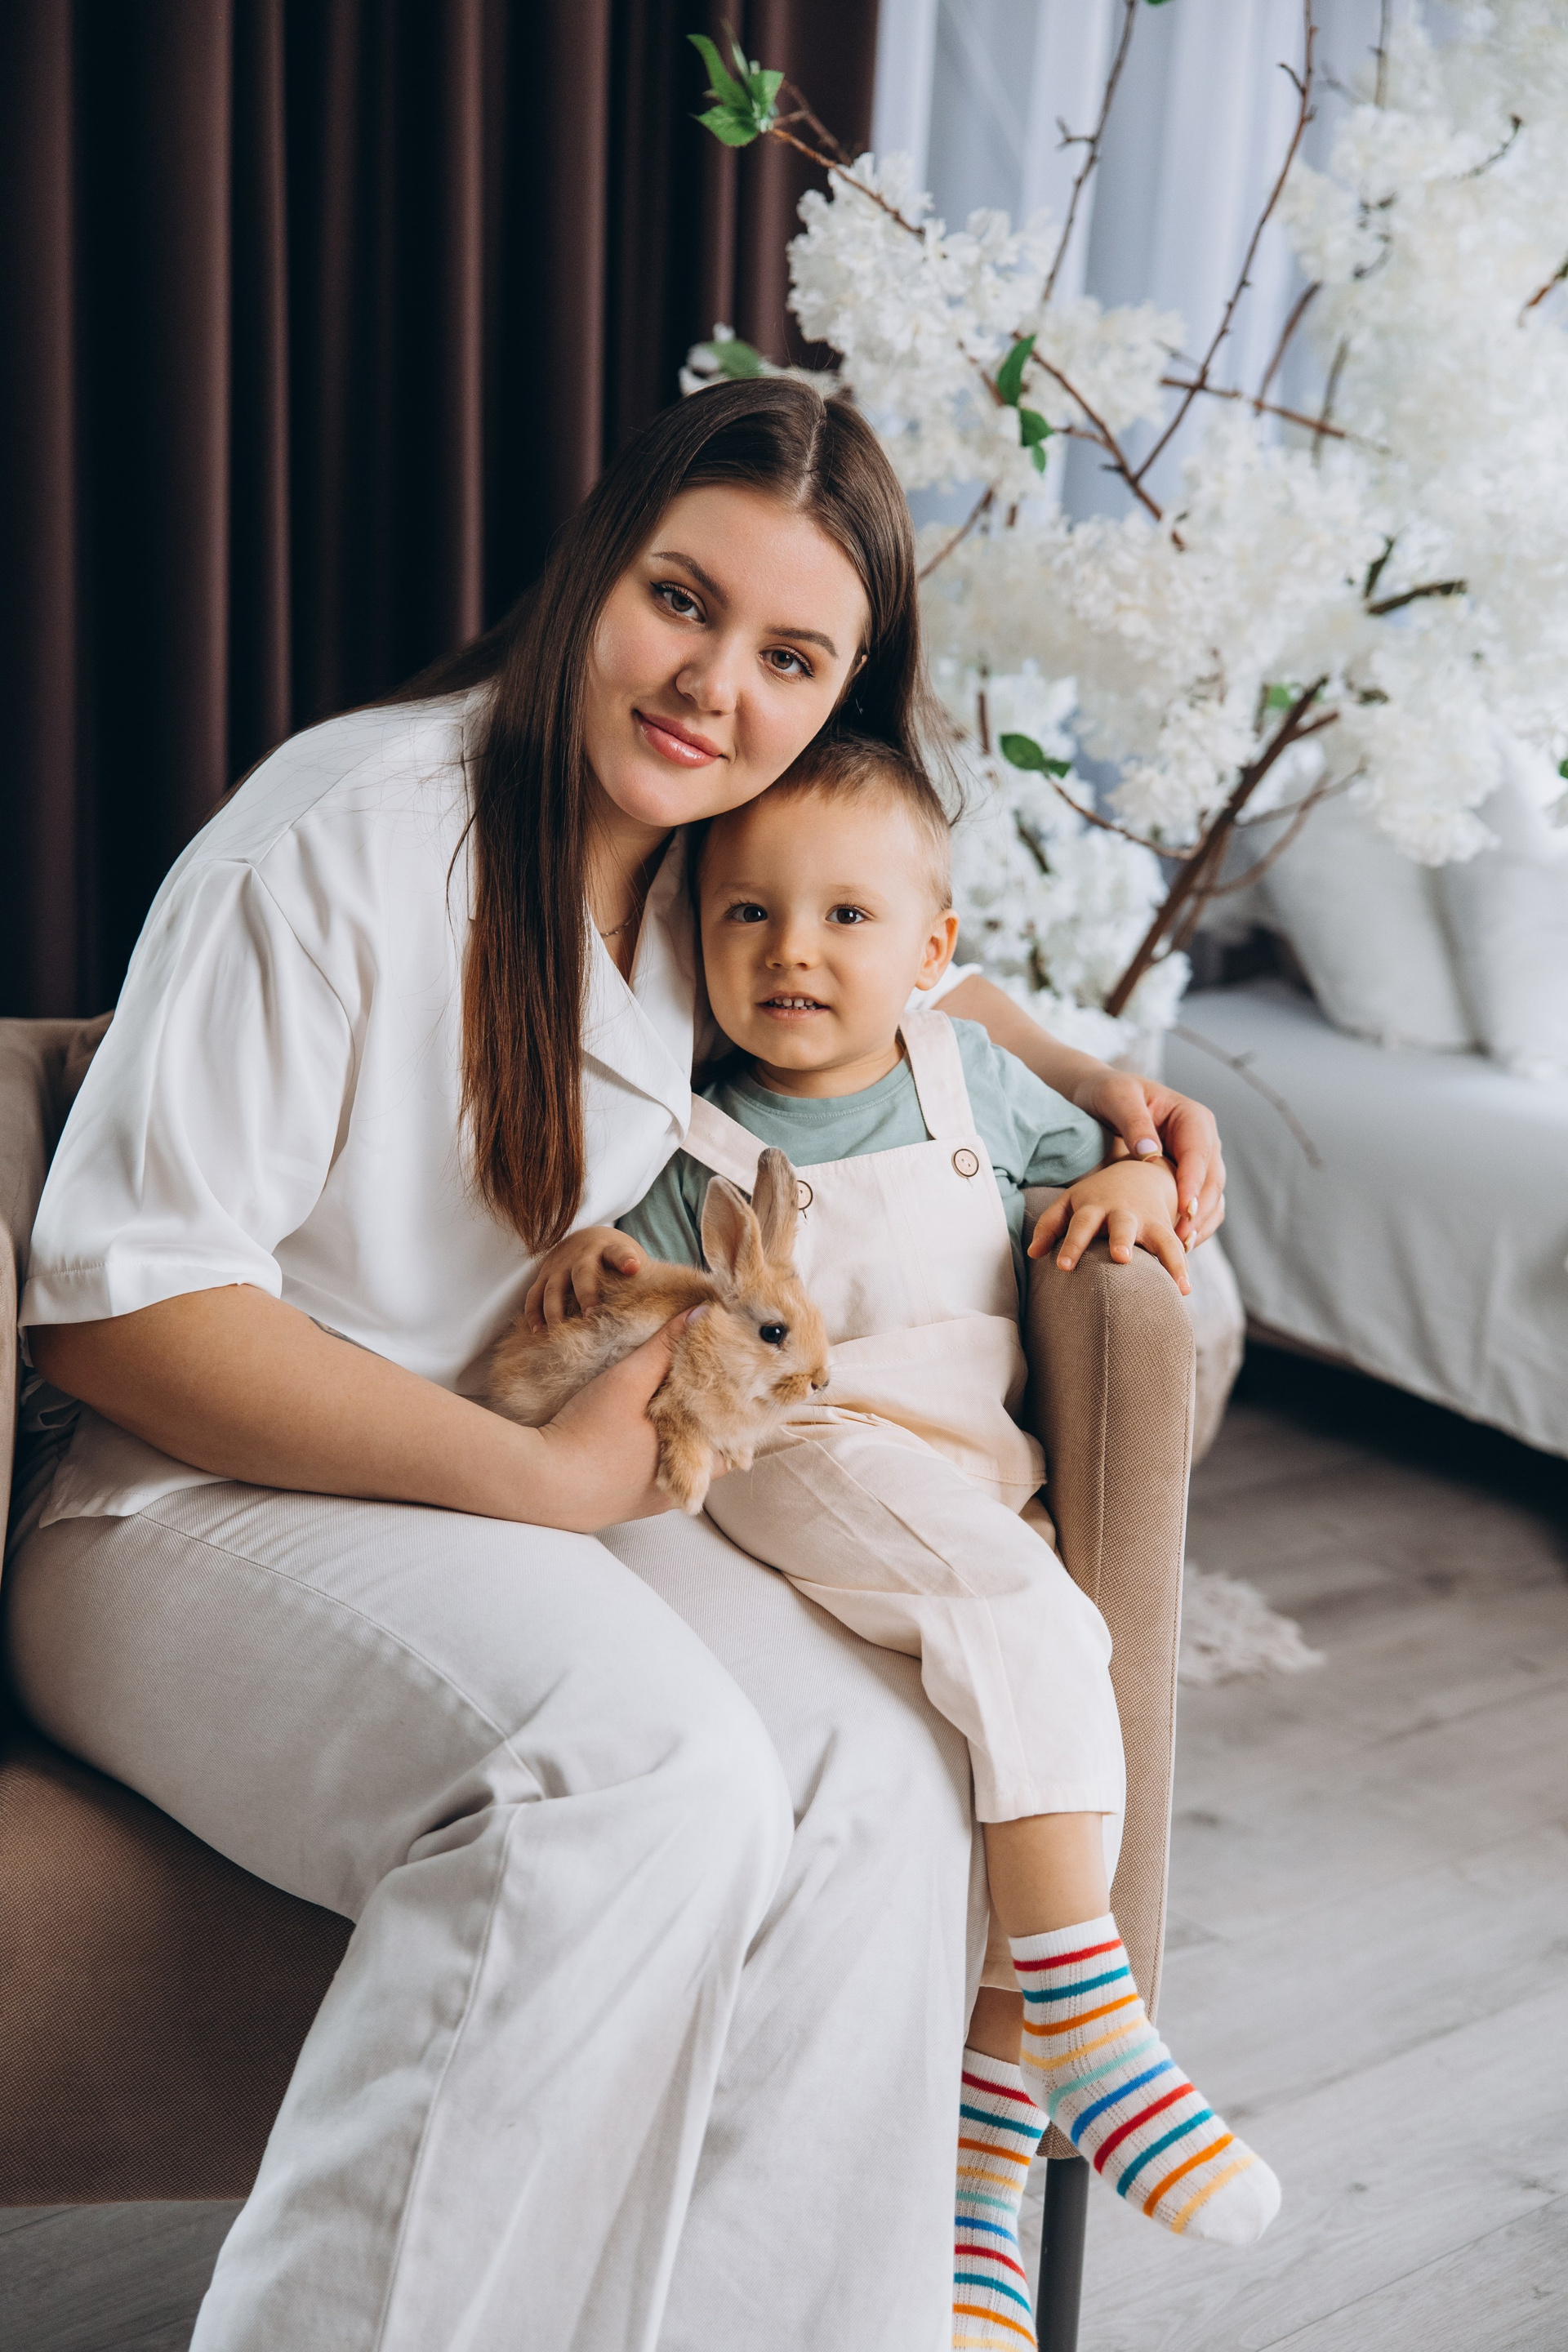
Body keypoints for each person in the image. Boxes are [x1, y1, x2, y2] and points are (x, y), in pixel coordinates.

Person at [8, 379, 1227, 2352]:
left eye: (791, 658)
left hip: (517, 1502)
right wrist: (541, 1482)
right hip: (189, 1507)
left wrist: (1096, 1084)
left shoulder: (711, 878)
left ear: (840, 700)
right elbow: (117, 1309)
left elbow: (915, 964)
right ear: (598, 570)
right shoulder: (342, 833)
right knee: (640, 1779)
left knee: (880, 1784)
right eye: (682, 599)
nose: (712, 686)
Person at [542, 733, 1277, 2347]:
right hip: (801, 1450)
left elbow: (1112, 1173)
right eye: (746, 916)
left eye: (844, 918)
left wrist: (1133, 1189)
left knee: (1029, 1722)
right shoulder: (699, 1141)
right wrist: (599, 1272)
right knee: (1027, 1626)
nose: (791, 952)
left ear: (932, 948)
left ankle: (976, 2214)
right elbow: (628, 1307)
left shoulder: (973, 1083)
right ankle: (1094, 2030)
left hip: (970, 1480)